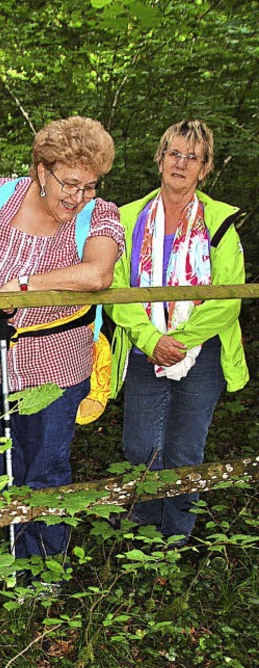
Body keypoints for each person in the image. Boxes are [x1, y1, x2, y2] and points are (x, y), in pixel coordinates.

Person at [0, 116, 124, 562]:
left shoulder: (99, 216)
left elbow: (98, 272)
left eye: (90, 185)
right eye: (69, 183)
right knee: (0, 463)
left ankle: (42, 569)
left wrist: (22, 285)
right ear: (42, 171)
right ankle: (8, 558)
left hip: (55, 371)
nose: (78, 197)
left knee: (45, 468)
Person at [107, 119, 248, 542]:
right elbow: (115, 287)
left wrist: (180, 340)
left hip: (201, 354)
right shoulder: (126, 218)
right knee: (140, 448)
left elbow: (229, 297)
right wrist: (151, 340)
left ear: (205, 169)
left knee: (186, 451)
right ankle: (144, 525)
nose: (181, 163)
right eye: (174, 153)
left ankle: (176, 537)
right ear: (160, 158)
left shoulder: (220, 222)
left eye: (193, 157)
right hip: (143, 349)